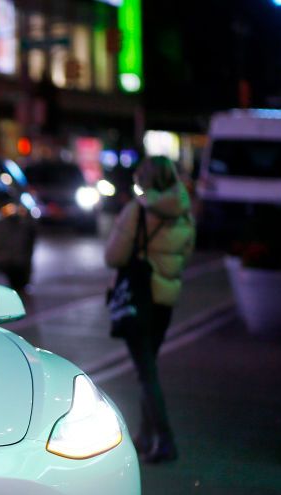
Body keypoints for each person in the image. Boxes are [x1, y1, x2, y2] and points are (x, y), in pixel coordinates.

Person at [104, 156, 196, 464]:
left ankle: (165, 440)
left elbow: (114, 256)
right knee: (149, 368)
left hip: (139, 298)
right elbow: (185, 253)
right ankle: (144, 436)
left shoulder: (137, 210)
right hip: (164, 300)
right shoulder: (184, 213)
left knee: (146, 374)